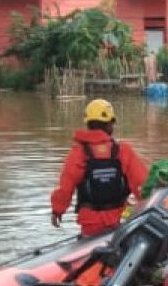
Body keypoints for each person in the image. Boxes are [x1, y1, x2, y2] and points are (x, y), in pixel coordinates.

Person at [50, 99, 148, 237]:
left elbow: (65, 188)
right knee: (131, 210)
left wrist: (57, 210)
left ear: (88, 124)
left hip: (90, 224)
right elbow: (143, 184)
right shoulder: (123, 151)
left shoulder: (78, 153)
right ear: (109, 124)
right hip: (119, 219)